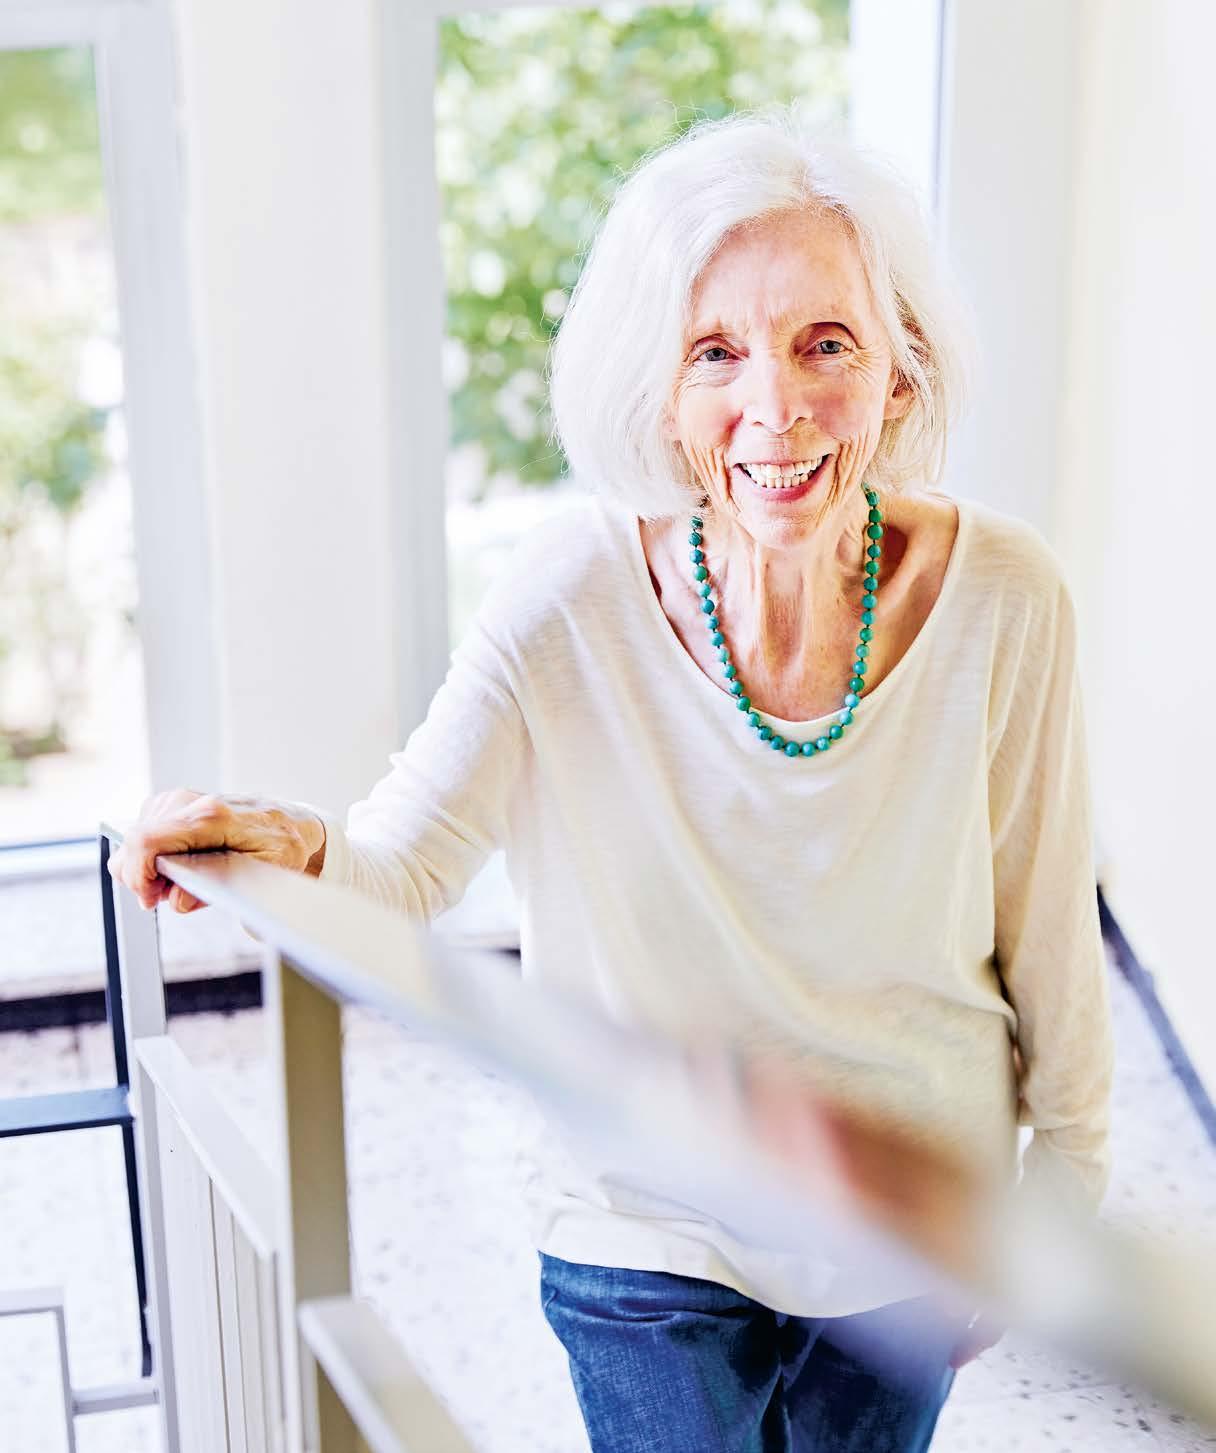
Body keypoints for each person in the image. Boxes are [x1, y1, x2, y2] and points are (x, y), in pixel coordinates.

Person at [108, 107, 1114, 1452]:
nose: (775, 406)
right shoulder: (569, 592)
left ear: (900, 373)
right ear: (661, 393)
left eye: (826, 342)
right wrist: (281, 842)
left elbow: (1048, 924)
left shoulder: (1006, 594)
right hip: (643, 1210)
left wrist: (1065, 1192)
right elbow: (402, 870)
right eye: (715, 352)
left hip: (907, 1211)